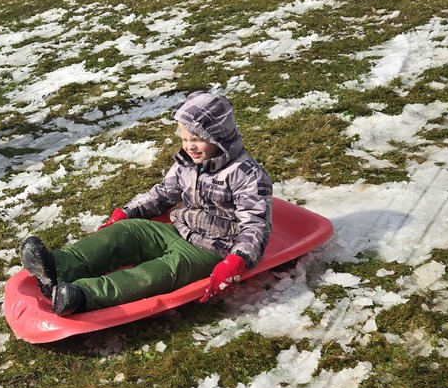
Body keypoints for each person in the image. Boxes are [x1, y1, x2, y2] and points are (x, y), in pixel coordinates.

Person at [19, 91, 273, 316]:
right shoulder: (188, 162)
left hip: (212, 248)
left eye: (197, 138)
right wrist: (127, 212)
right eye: (184, 138)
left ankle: (81, 295)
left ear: (219, 136)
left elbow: (256, 226)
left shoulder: (248, 175)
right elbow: (163, 194)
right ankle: (58, 267)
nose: (189, 146)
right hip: (178, 229)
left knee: (160, 272)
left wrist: (236, 261)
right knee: (126, 232)